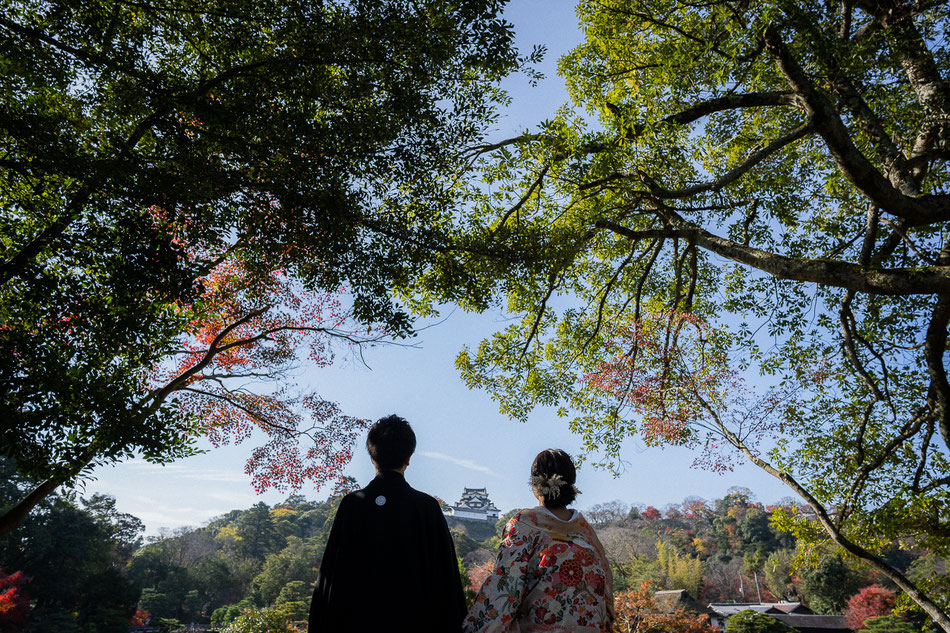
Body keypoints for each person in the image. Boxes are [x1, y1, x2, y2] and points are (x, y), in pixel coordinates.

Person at [309, 414, 466, 633]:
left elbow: (331, 578)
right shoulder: (426, 507)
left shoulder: (352, 505)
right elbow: (446, 583)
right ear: (408, 458)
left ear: (372, 457)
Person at [463, 449, 614, 633]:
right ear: (571, 482)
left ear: (535, 484)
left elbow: (505, 586)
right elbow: (606, 592)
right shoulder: (586, 533)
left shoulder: (525, 525)